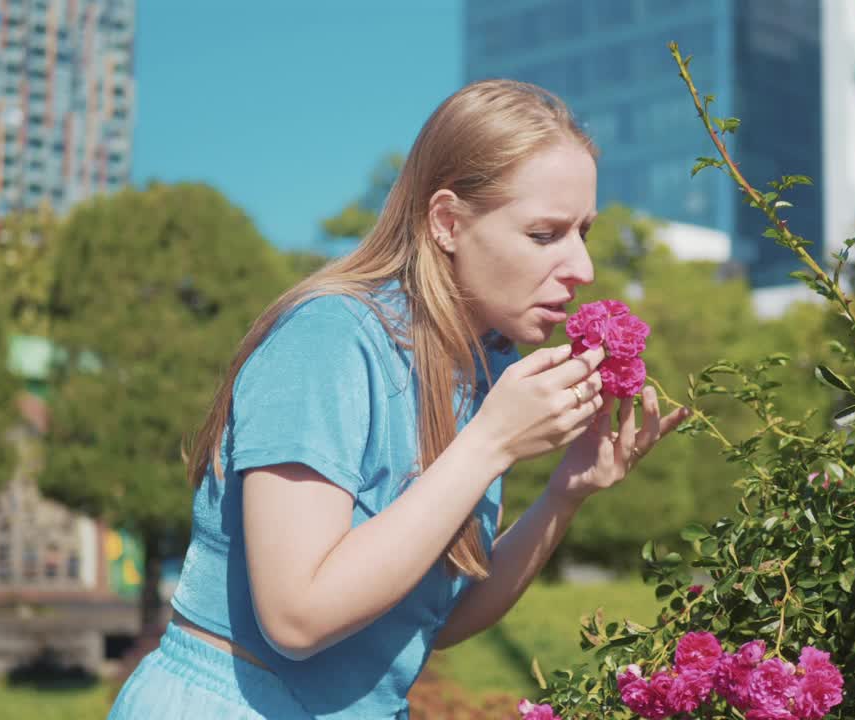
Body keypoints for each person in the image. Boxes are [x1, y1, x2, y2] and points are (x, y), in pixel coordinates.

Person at [108, 79, 688, 719]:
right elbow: (297, 617)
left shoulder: (481, 369)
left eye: (584, 231)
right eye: (545, 234)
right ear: (447, 222)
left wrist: (566, 491)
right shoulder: (331, 338)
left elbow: (428, 623)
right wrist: (489, 445)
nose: (582, 268)